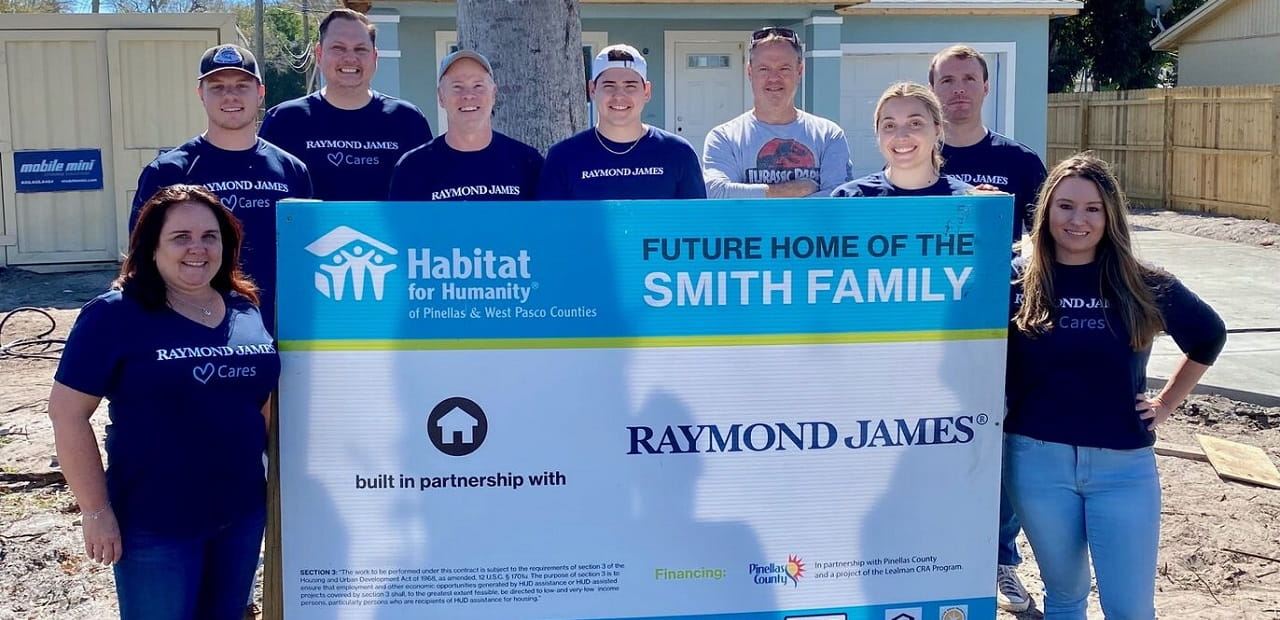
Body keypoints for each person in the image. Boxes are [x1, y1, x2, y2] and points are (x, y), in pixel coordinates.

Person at [1005, 153, 1226, 619]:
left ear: (1110, 216)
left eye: (1092, 209)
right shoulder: (1018, 283)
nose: (1077, 220)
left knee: (1129, 609)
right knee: (1064, 598)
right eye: (1065, 206)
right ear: (1046, 211)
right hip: (1037, 464)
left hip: (1122, 468)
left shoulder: (1142, 283)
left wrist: (1165, 404)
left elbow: (1209, 334)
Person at [49, 184, 281, 619]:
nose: (198, 248)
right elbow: (66, 414)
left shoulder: (245, 309)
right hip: (155, 521)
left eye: (210, 236)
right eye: (181, 237)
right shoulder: (115, 315)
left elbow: (261, 404)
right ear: (151, 245)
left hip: (240, 514)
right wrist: (95, 511)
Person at [129, 43, 311, 331]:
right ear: (201, 94)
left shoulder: (292, 170)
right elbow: (142, 259)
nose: (230, 95)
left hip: (278, 331)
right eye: (217, 86)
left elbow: (307, 255)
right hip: (192, 332)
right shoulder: (168, 171)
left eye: (242, 85)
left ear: (260, 93)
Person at [259, 8, 431, 201]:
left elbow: (428, 196)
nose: (350, 58)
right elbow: (265, 196)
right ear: (319, 53)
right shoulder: (285, 121)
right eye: (338, 48)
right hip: (309, 232)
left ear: (375, 57)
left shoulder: (407, 120)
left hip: (390, 232)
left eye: (360, 49)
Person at [537, 44, 705, 200]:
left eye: (630, 86)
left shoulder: (678, 153)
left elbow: (697, 224)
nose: (619, 96)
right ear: (593, 90)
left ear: (646, 92)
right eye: (609, 86)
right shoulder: (564, 157)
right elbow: (549, 226)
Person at [703, 26, 851, 198]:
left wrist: (748, 195)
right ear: (750, 72)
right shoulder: (724, 138)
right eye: (764, 69)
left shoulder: (828, 135)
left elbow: (838, 200)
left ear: (800, 71)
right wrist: (794, 190)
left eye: (784, 69)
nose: (774, 78)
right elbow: (717, 194)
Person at [389, 50, 542, 201]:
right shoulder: (413, 168)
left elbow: (546, 223)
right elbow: (400, 225)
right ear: (441, 97)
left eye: (478, 86)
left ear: (494, 94)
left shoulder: (528, 163)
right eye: (457, 87)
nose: (468, 95)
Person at [930, 45, 1047, 241]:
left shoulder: (1021, 161)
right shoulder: (913, 162)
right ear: (932, 90)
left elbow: (1046, 239)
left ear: (986, 87)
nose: (959, 89)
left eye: (969, 79)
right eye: (947, 80)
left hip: (1000, 271)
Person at [831, 82, 972, 197]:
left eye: (915, 123)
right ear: (878, 132)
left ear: (937, 129)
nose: (901, 136)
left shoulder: (968, 201)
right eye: (890, 125)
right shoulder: (848, 199)